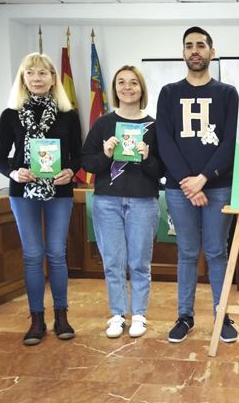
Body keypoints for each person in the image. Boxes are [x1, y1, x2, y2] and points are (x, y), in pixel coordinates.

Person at [156, 26, 239, 344]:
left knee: (217, 252)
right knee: (188, 252)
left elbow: (230, 142)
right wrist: (188, 184)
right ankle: (184, 316)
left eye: (201, 45)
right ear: (183, 53)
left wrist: (203, 179)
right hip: (179, 190)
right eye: (189, 45)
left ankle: (222, 315)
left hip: (218, 187)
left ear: (212, 52)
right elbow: (165, 141)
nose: (195, 50)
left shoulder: (227, 93)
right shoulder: (168, 93)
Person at [0, 52, 82, 345]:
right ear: (23, 79)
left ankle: (61, 316)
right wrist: (14, 172)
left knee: (56, 253)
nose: (36, 78)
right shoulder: (10, 115)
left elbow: (78, 155)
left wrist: (70, 171)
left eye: (43, 73)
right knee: (32, 255)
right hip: (23, 193)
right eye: (30, 73)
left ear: (53, 78)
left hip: (60, 191)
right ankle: (36, 319)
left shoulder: (68, 115)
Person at [81, 65, 162, 338]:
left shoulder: (155, 126)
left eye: (133, 82)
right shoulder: (103, 124)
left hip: (143, 202)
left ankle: (138, 314)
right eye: (121, 82)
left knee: (140, 262)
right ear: (115, 89)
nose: (127, 87)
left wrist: (147, 157)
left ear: (141, 88)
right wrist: (105, 155)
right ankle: (117, 314)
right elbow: (87, 162)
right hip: (107, 202)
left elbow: (163, 170)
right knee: (112, 262)